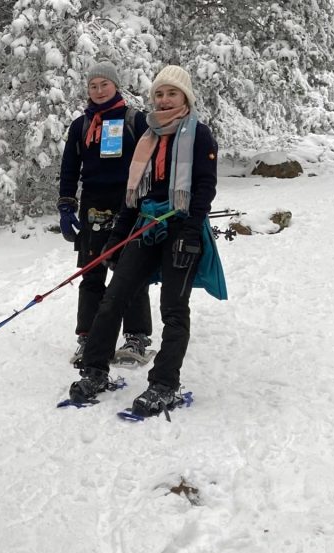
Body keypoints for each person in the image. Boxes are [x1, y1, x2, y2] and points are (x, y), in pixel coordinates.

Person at [67, 65, 219, 416]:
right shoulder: (148, 135)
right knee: (113, 297)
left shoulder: (200, 135)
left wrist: (192, 232)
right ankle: (94, 370)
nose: (164, 100)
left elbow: (204, 188)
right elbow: (133, 193)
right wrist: (118, 237)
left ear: (185, 97)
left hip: (181, 228)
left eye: (172, 94)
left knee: (174, 310)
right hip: (145, 225)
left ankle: (164, 384)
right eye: (159, 94)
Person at [58, 61, 153, 367]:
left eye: (104, 85)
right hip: (92, 204)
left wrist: (150, 201)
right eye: (93, 86)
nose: (98, 91)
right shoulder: (81, 125)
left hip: (129, 201)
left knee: (129, 271)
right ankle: (89, 337)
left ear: (116, 86)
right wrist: (66, 205)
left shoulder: (134, 120)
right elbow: (70, 168)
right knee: (91, 270)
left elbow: (151, 161)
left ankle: (136, 337)